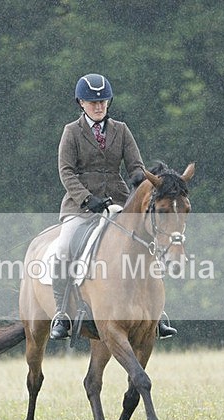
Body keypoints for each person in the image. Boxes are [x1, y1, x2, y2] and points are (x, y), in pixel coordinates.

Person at [49, 73, 176, 340]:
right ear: (80, 103)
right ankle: (62, 313)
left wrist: (144, 185)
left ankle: (156, 313)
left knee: (145, 243)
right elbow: (66, 172)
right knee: (63, 248)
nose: (99, 107)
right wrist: (86, 198)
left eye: (103, 102)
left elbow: (136, 168)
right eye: (92, 102)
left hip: (117, 204)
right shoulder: (71, 132)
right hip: (80, 207)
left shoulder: (121, 129)